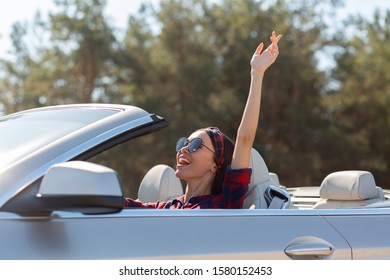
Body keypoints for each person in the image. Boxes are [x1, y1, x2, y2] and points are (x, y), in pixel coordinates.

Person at [124, 31, 282, 209]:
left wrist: (257, 73)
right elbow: (124, 206)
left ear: (215, 166)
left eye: (195, 145)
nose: (184, 148)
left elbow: (244, 138)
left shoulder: (225, 203)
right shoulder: (168, 207)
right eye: (183, 143)